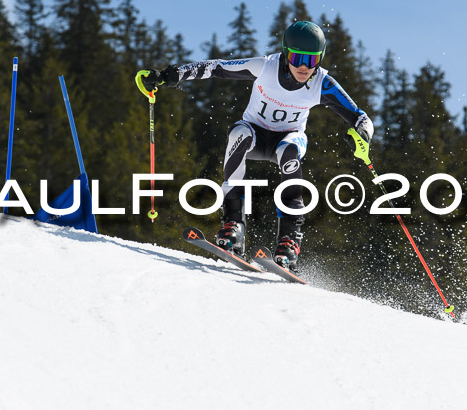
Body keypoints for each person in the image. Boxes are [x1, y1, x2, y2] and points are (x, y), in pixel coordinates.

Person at [139, 20, 373, 271]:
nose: (304, 66)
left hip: (289, 138)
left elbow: (361, 117)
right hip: (255, 134)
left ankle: (289, 241)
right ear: (286, 54)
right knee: (238, 133)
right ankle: (233, 225)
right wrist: (169, 75)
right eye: (297, 58)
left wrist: (362, 134)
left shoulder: (322, 83)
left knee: (289, 151)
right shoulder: (265, 67)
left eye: (312, 60)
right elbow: (217, 67)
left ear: (320, 59)